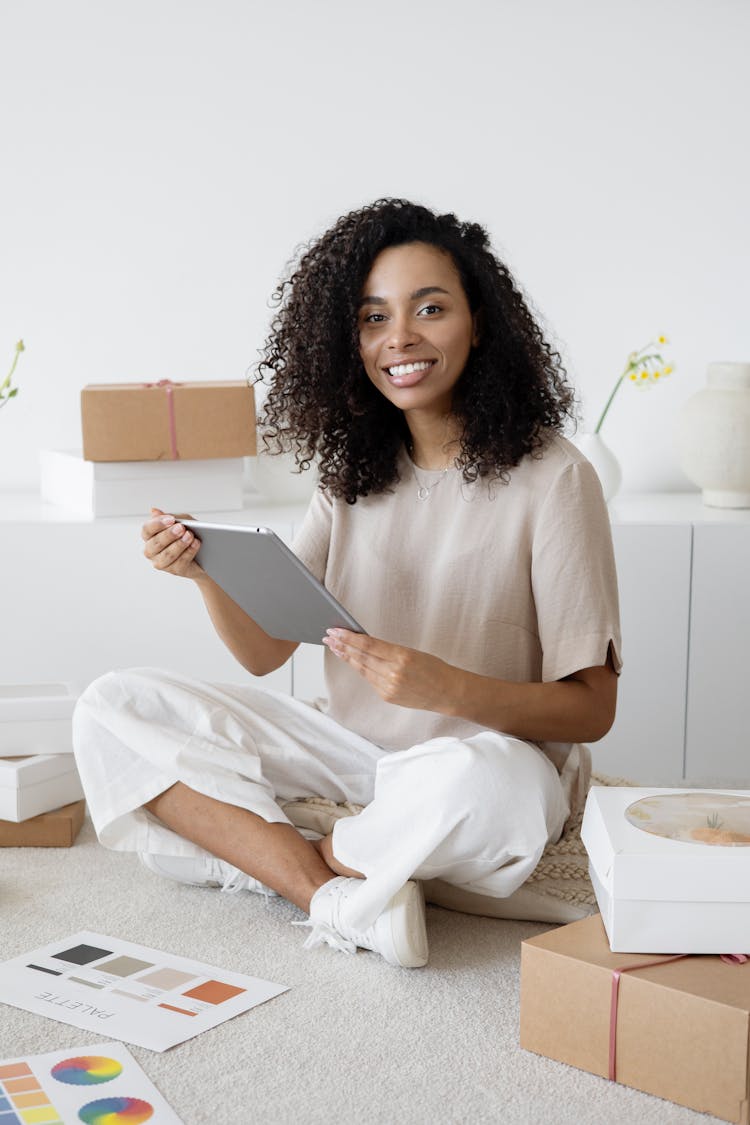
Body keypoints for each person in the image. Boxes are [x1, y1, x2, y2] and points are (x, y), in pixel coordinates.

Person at [73, 198, 621, 970]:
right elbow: (265, 652)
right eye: (373, 318)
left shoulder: (557, 478)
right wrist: (205, 574)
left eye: (429, 308)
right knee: (110, 707)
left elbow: (592, 708)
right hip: (352, 752)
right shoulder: (350, 473)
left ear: (480, 323)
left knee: (496, 790)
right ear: (351, 338)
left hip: (484, 760)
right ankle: (335, 892)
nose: (399, 338)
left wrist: (443, 687)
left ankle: (300, 854)